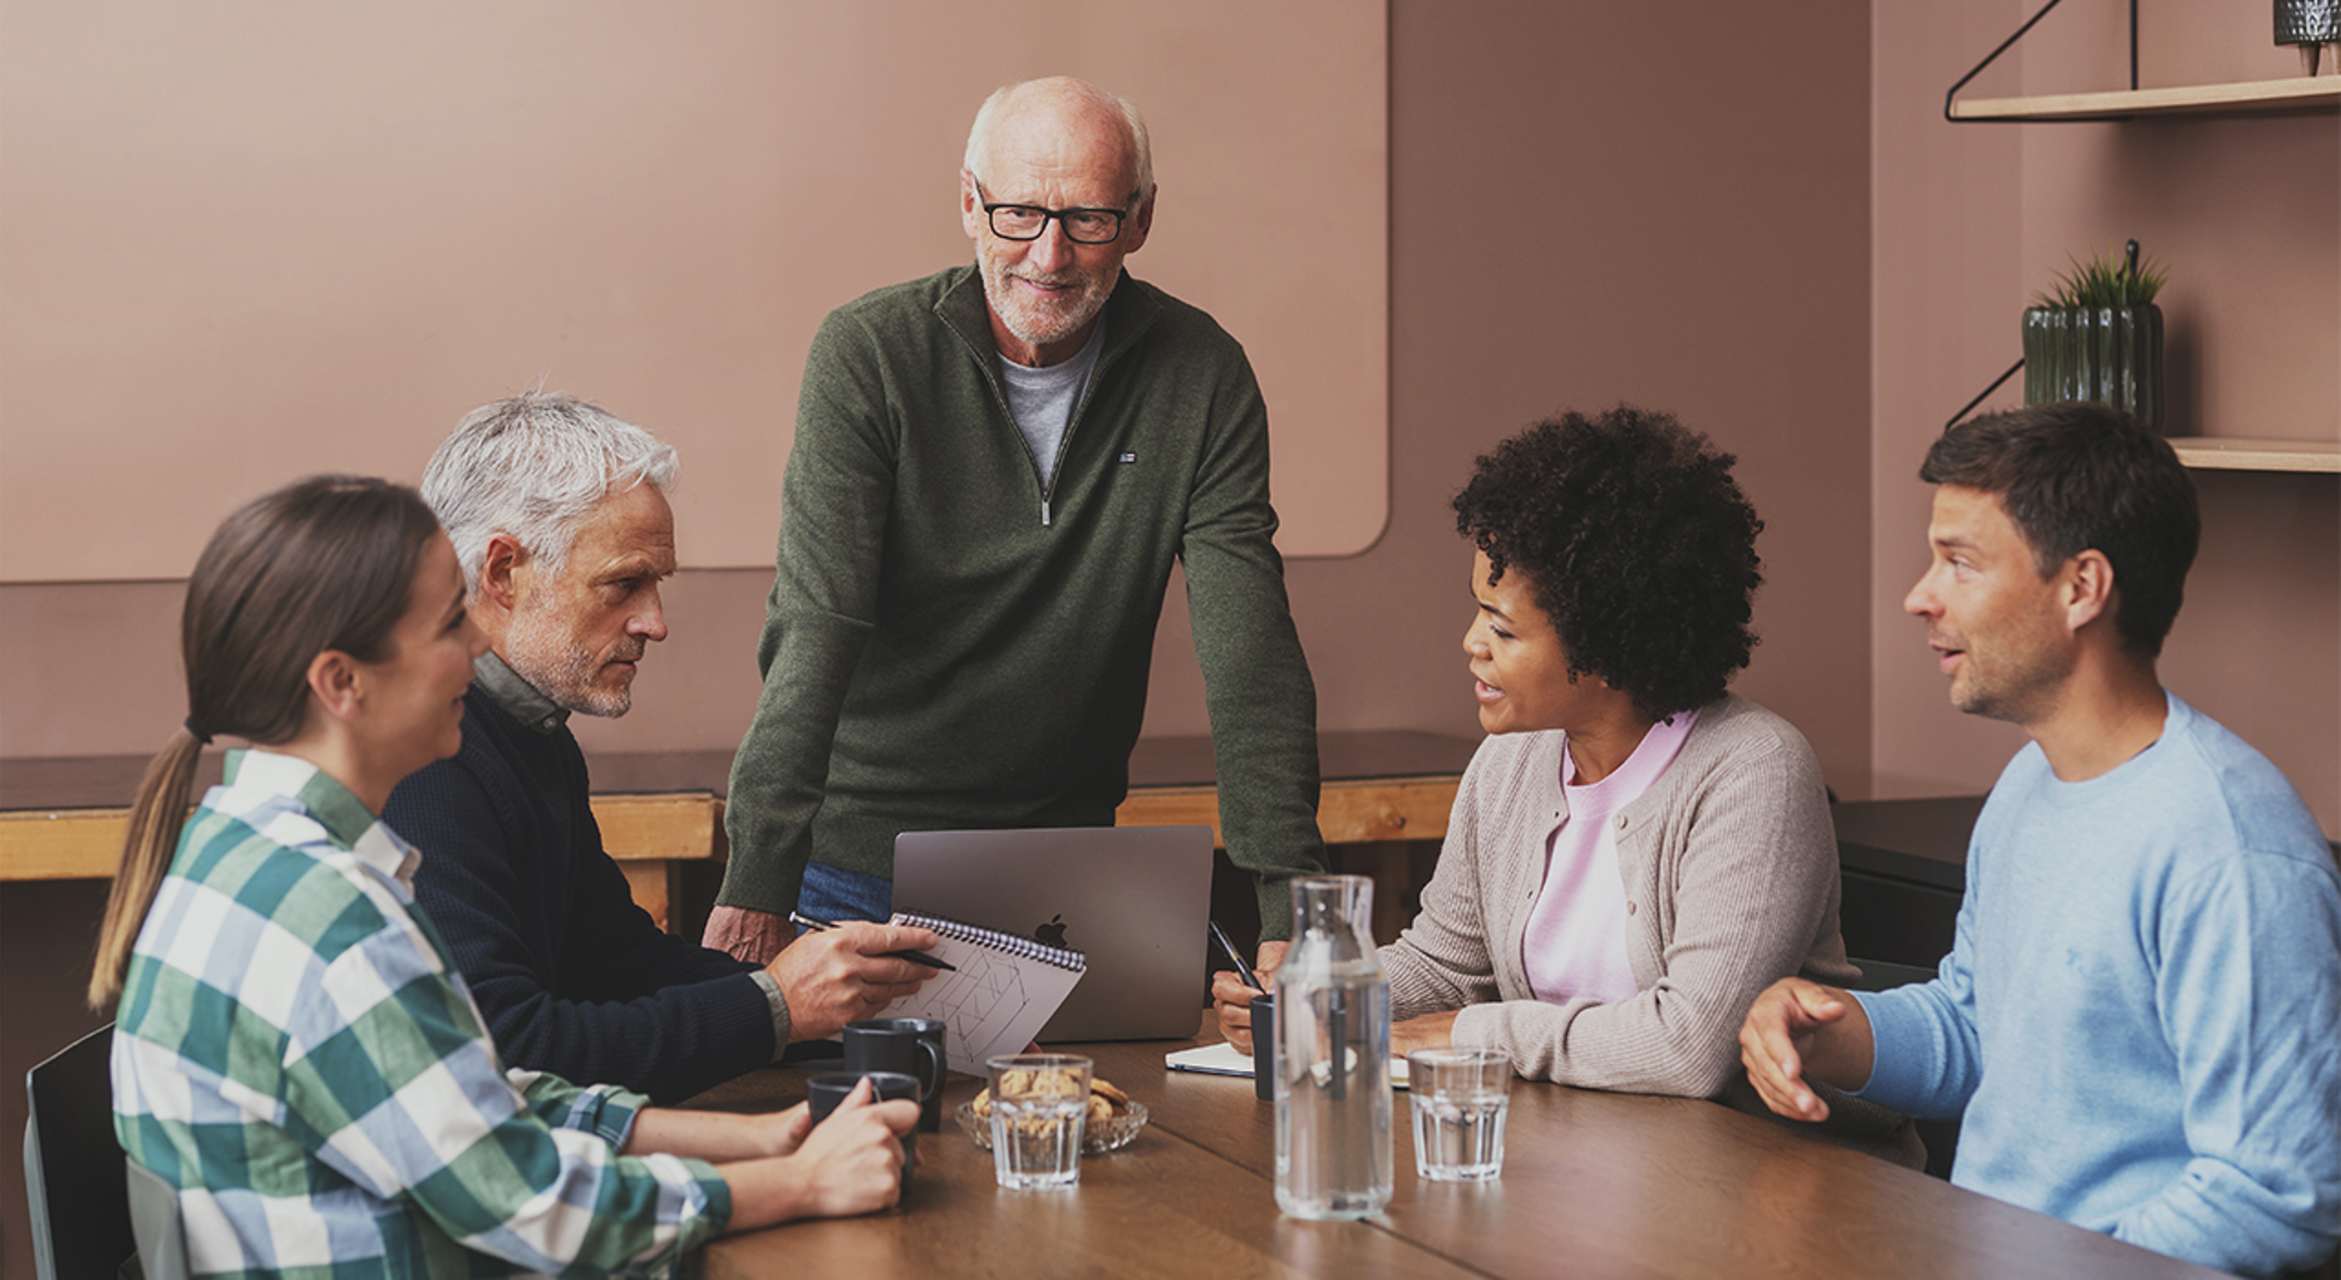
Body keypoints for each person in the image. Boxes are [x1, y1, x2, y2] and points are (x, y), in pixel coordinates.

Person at [94, 476, 918, 1276]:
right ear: (342, 683)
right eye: (450, 625)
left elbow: (474, 1096)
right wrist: (796, 1184)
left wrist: (752, 1139)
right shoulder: (330, 919)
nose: (480, 643)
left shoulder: (244, 849)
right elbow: (526, 1203)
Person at [706, 76, 1324, 977]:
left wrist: (1289, 902)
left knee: (1091, 1119)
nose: (1049, 254)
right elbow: (819, 621)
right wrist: (757, 872)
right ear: (968, 202)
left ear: (1141, 218)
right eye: (1018, 214)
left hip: (1066, 870)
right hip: (854, 866)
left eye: (1088, 219)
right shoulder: (868, 353)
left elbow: (1250, 650)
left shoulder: (1202, 374)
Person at [1738, 403, 2341, 1277]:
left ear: (2081, 588)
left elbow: (2275, 1194)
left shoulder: (2230, 852)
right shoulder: (2031, 781)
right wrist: (1828, 1031)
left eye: (1959, 562)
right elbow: (1979, 1026)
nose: (1920, 596)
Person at [1215, 408, 1862, 1100]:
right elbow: (1445, 964)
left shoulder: (1753, 769)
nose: (1471, 642)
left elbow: (1688, 1047)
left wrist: (1466, 1034)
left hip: (1756, 1174)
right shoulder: (1510, 765)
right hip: (1578, 1156)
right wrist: (1319, 995)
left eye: (1501, 627)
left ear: (1605, 643)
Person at [385, 394, 937, 1103]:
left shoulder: (532, 733)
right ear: (501, 573)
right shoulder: (415, 759)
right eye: (624, 583)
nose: (654, 622)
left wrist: (861, 997)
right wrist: (778, 1004)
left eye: (655, 585)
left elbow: (619, 962)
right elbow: (504, 1053)